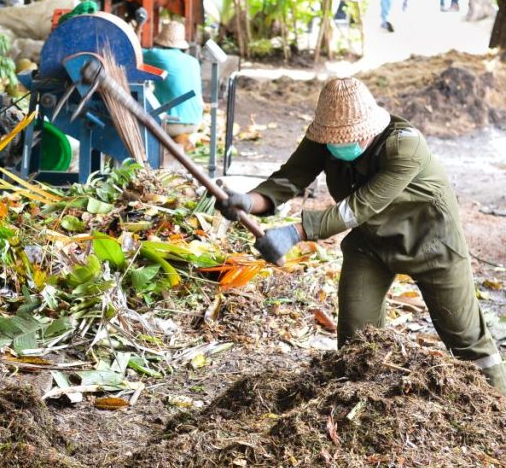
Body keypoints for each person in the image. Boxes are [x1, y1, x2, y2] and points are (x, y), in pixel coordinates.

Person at [217, 78, 506, 394]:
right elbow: (289, 178)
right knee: (357, 338)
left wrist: (294, 233)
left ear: (372, 128)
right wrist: (250, 201)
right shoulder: (326, 137)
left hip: (431, 243)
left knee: (465, 337)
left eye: (350, 138)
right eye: (333, 139)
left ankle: (498, 407)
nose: (340, 143)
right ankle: (362, 404)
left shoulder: (405, 146)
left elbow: (358, 207)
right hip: (371, 244)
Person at [142, 21, 203, 138]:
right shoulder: (193, 61)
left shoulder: (158, 55)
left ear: (161, 42)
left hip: (172, 123)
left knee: (132, 124)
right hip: (195, 121)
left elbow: (132, 50)